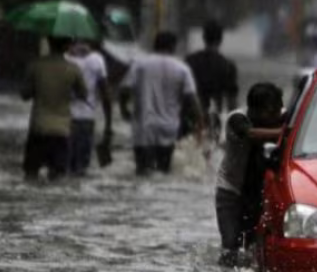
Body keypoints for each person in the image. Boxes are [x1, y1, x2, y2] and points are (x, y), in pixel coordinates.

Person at [215, 82, 284, 267]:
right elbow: (250, 134)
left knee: (254, 246)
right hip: (231, 192)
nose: (275, 115)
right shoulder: (237, 119)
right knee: (230, 247)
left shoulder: (279, 116)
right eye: (270, 111)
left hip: (257, 192)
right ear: (254, 109)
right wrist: (286, 132)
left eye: (277, 110)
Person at [119, 31, 206, 176]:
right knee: (163, 172)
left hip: (143, 127)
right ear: (173, 46)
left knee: (142, 172)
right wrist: (200, 125)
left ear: (155, 45)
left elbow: (124, 90)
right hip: (168, 128)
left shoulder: (140, 65)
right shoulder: (182, 68)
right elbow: (192, 99)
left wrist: (124, 110)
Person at [21, 36, 87, 181]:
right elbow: (84, 94)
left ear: (49, 43)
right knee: (58, 177)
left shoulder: (35, 65)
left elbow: (24, 95)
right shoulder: (73, 69)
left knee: (30, 175)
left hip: (38, 128)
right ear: (67, 46)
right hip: (61, 130)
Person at [65, 39, 113, 176]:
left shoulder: (64, 58)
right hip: (86, 119)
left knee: (62, 167)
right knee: (81, 168)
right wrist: (108, 126)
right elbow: (106, 95)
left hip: (63, 118)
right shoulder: (97, 60)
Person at [185, 20, 239, 130]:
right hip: (213, 120)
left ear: (204, 38)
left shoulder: (191, 61)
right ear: (221, 39)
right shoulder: (227, 65)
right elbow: (231, 102)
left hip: (191, 118)